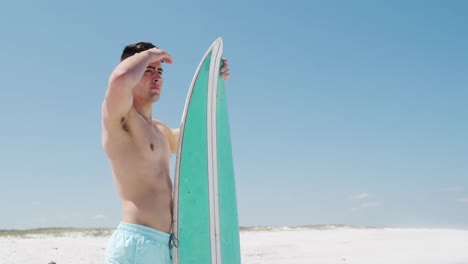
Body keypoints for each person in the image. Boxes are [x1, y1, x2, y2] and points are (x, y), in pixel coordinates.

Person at [102, 42, 230, 263]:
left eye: (160, 71)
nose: (157, 76)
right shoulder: (121, 121)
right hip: (137, 244)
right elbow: (120, 79)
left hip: (166, 244)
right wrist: (152, 54)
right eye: (148, 70)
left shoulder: (160, 131)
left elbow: (200, 137)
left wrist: (215, 82)